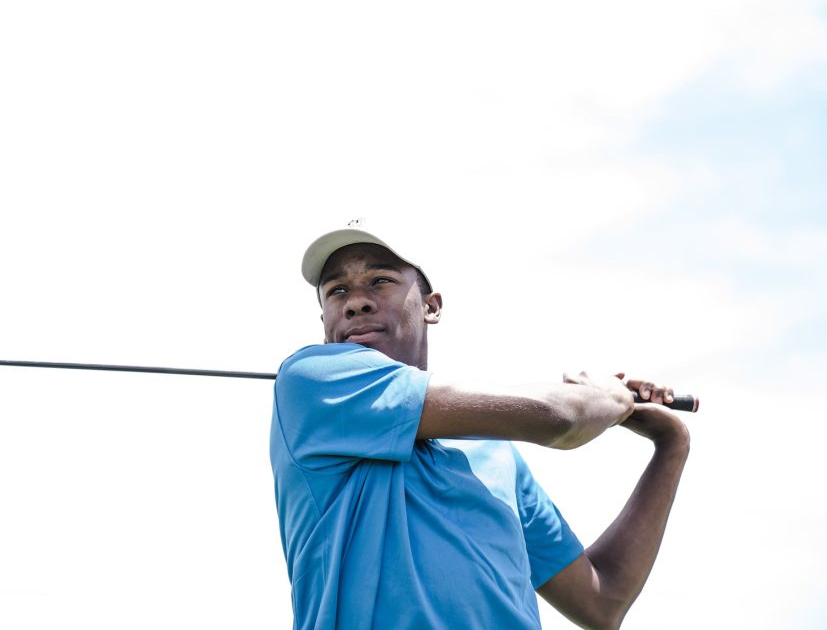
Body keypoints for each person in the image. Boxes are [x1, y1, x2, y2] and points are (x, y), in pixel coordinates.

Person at [270, 226, 690, 630]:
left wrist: (671, 445)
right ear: (324, 315)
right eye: (337, 290)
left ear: (432, 306)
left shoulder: (496, 453)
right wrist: (608, 396)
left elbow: (603, 603)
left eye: (380, 281)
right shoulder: (312, 381)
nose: (356, 302)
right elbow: (561, 418)